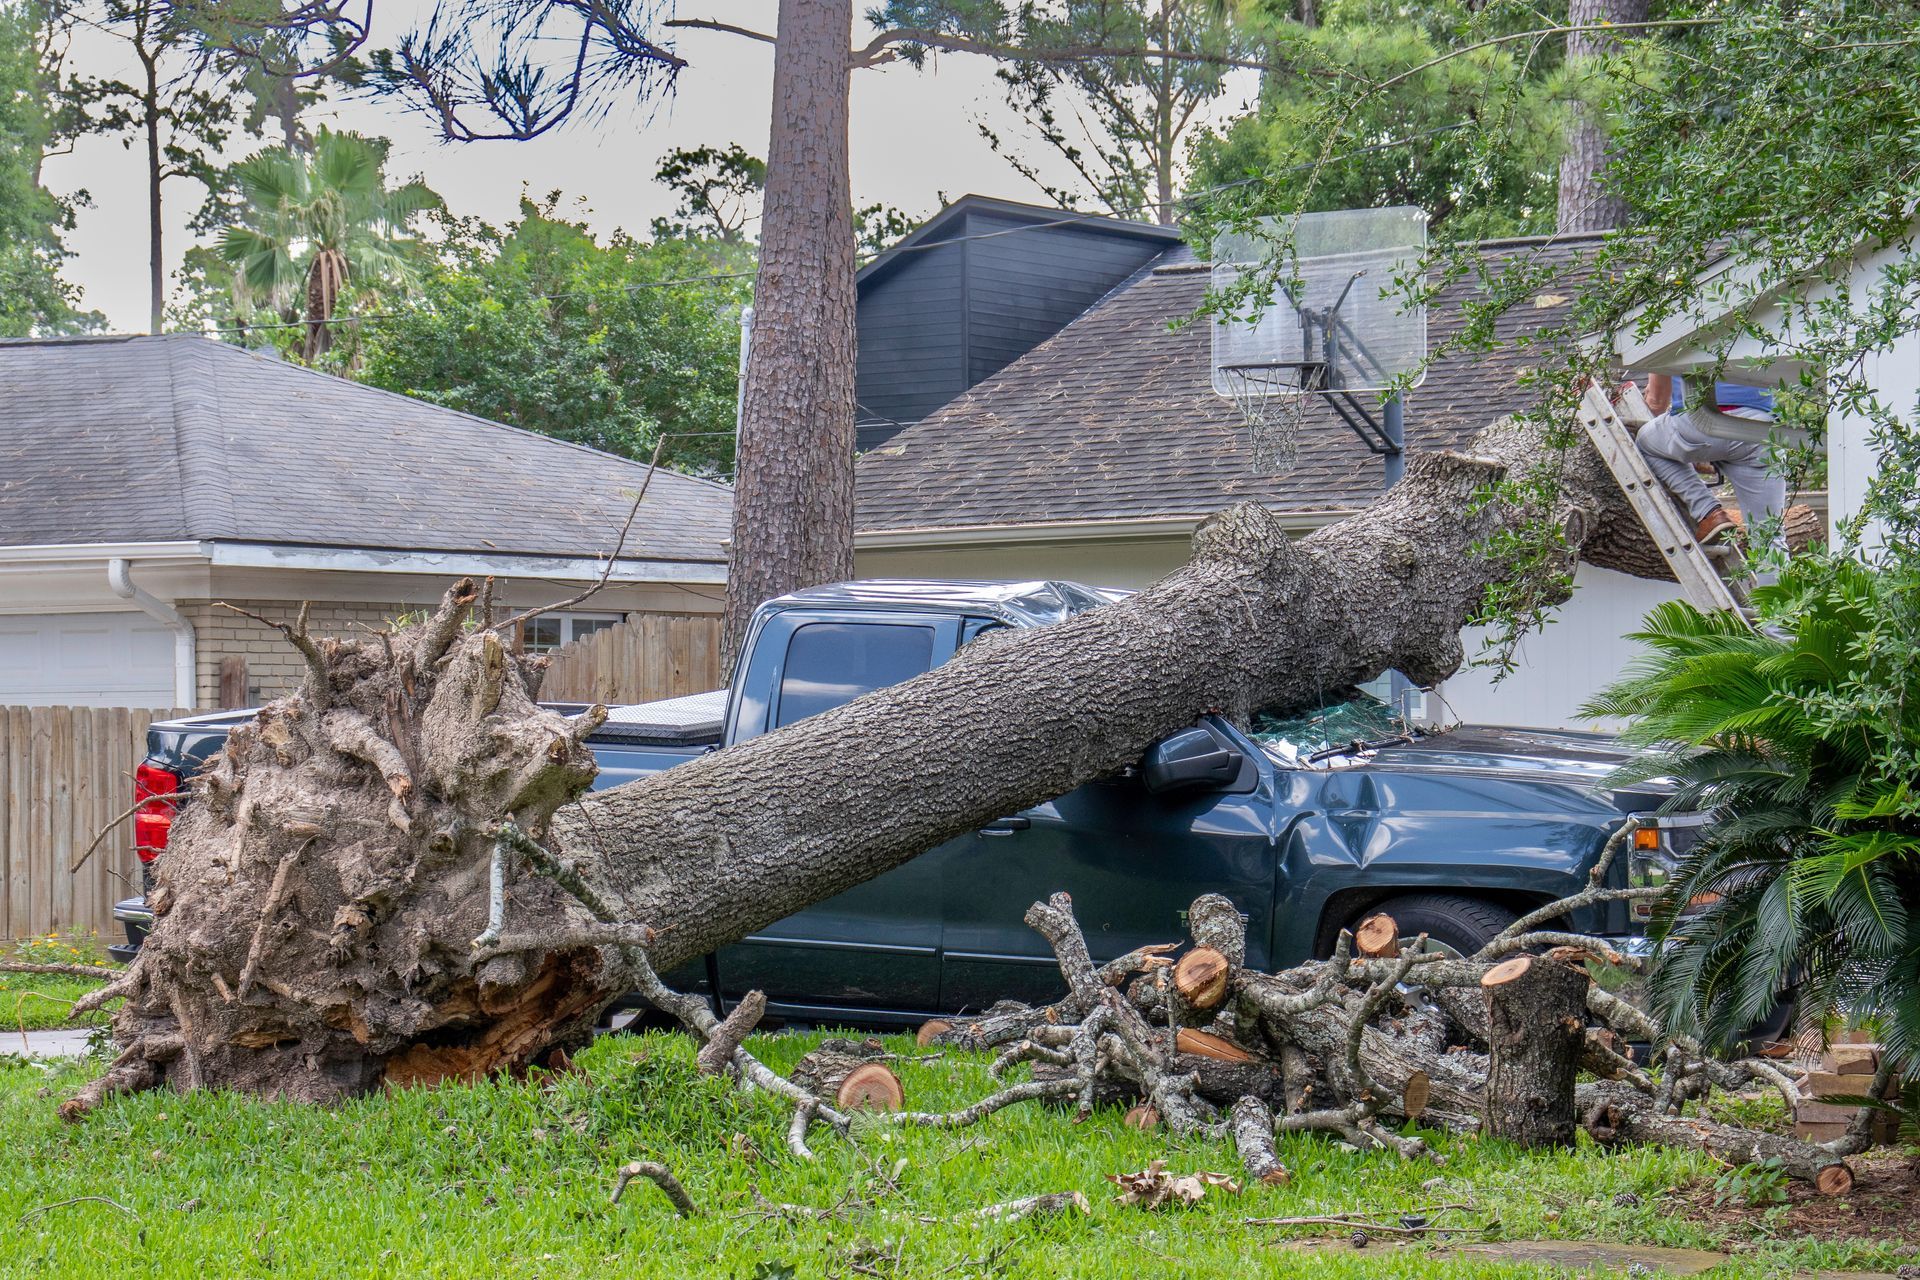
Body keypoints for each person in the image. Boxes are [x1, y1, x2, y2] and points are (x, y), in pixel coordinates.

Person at [1633, 373, 1787, 546]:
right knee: (1769, 539)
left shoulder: (1659, 344)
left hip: (1702, 423)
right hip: (1760, 431)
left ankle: (1708, 512)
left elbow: (1656, 402)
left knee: (1645, 441)